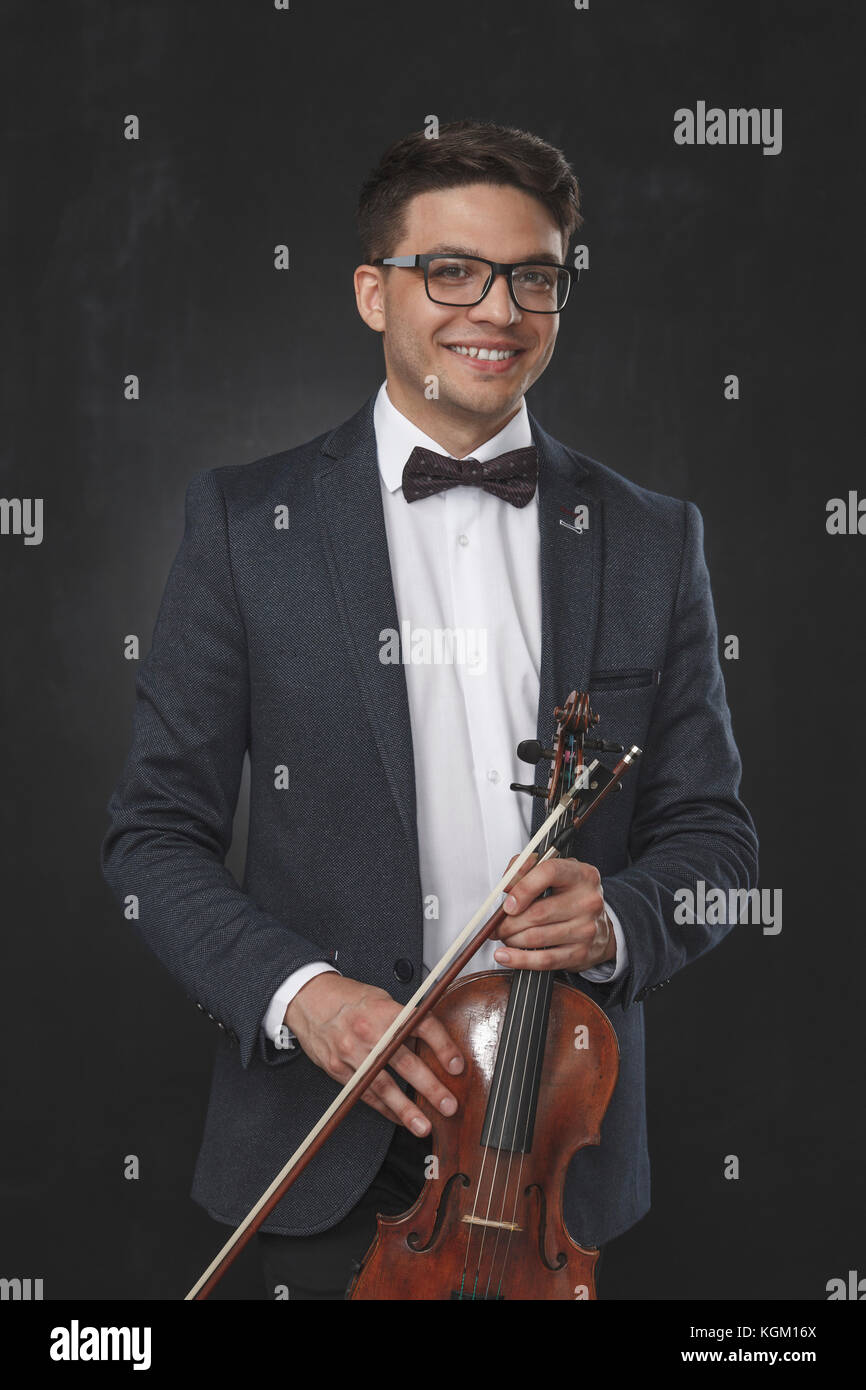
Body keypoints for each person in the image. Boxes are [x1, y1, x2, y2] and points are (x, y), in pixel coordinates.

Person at [101, 119, 759, 1301]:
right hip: (313, 1153)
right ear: (372, 292)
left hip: (556, 1168)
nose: (495, 310)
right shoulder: (246, 528)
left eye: (533, 276)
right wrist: (303, 998)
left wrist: (615, 916)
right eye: (450, 270)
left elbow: (714, 842)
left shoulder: (653, 540)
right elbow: (151, 839)